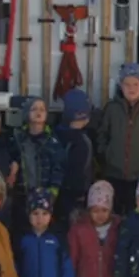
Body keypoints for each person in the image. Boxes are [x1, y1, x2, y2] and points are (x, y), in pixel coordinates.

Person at [96, 63, 139, 214]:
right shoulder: (112, 109)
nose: (131, 88)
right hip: (113, 174)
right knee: (114, 213)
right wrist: (107, 155)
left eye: (135, 84)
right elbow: (102, 134)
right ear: (121, 86)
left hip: (138, 176)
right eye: (127, 84)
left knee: (134, 212)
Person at [9, 97, 66, 237]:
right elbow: (12, 159)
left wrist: (52, 192)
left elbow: (58, 167)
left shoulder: (52, 140)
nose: (38, 112)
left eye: (42, 109)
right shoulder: (17, 138)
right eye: (34, 109)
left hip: (45, 196)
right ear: (26, 114)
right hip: (22, 195)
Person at [56, 89, 94, 225]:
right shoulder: (83, 141)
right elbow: (80, 173)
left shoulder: (55, 134)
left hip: (55, 192)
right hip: (75, 197)